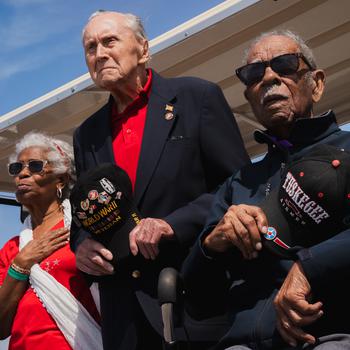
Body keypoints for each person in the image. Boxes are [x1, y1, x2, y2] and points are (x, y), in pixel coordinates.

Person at [70, 9, 249, 350]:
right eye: (90, 48)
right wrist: (81, 245)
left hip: (192, 299)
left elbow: (238, 186)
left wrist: (171, 224)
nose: (99, 54)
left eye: (110, 41)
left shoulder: (197, 98)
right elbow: (82, 215)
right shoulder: (86, 134)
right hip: (123, 317)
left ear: (144, 49)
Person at [182, 30, 350, 350]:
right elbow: (198, 300)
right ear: (249, 98)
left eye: (285, 65)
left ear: (316, 83)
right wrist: (213, 244)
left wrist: (309, 267)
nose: (270, 76)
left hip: (331, 335)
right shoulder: (239, 183)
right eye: (254, 73)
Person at [0, 132, 102, 350]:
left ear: (61, 179)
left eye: (35, 166)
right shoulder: (13, 248)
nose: (22, 175)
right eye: (17, 169)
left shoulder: (82, 229)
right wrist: (22, 263)